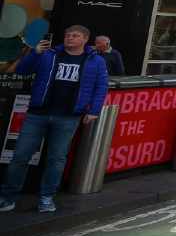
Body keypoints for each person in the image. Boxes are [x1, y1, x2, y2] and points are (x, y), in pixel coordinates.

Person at [0, 25, 111, 213]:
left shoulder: (95, 61)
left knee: (56, 159)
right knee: (20, 156)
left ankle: (46, 197)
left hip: (68, 116)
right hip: (38, 113)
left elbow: (101, 87)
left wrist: (93, 110)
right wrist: (34, 53)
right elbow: (23, 70)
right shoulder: (48, 54)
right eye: (67, 35)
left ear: (85, 39)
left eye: (75, 36)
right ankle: (8, 197)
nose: (69, 38)